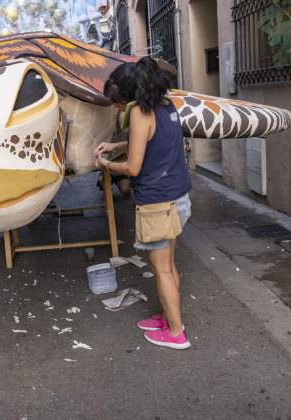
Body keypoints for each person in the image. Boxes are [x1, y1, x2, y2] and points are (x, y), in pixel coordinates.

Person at [94, 57, 192, 350]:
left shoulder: (139, 113)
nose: (118, 108)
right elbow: (153, 139)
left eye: (119, 102)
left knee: (162, 269)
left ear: (129, 96)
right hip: (178, 198)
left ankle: (176, 333)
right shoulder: (165, 105)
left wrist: (106, 164)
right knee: (169, 264)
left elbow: (134, 168)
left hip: (157, 204)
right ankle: (169, 317)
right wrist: (116, 145)